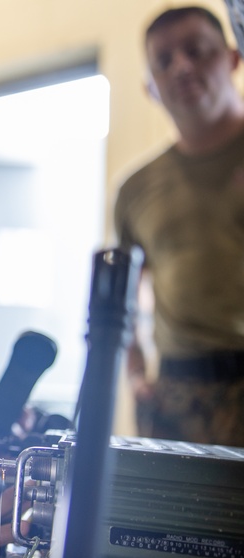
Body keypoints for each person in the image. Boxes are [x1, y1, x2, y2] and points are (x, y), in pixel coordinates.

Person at [113, 5, 244, 448]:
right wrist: (135, 377)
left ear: (232, 58)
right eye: (163, 61)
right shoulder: (136, 190)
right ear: (150, 87)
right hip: (177, 399)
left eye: (196, 50)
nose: (182, 67)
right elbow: (121, 301)